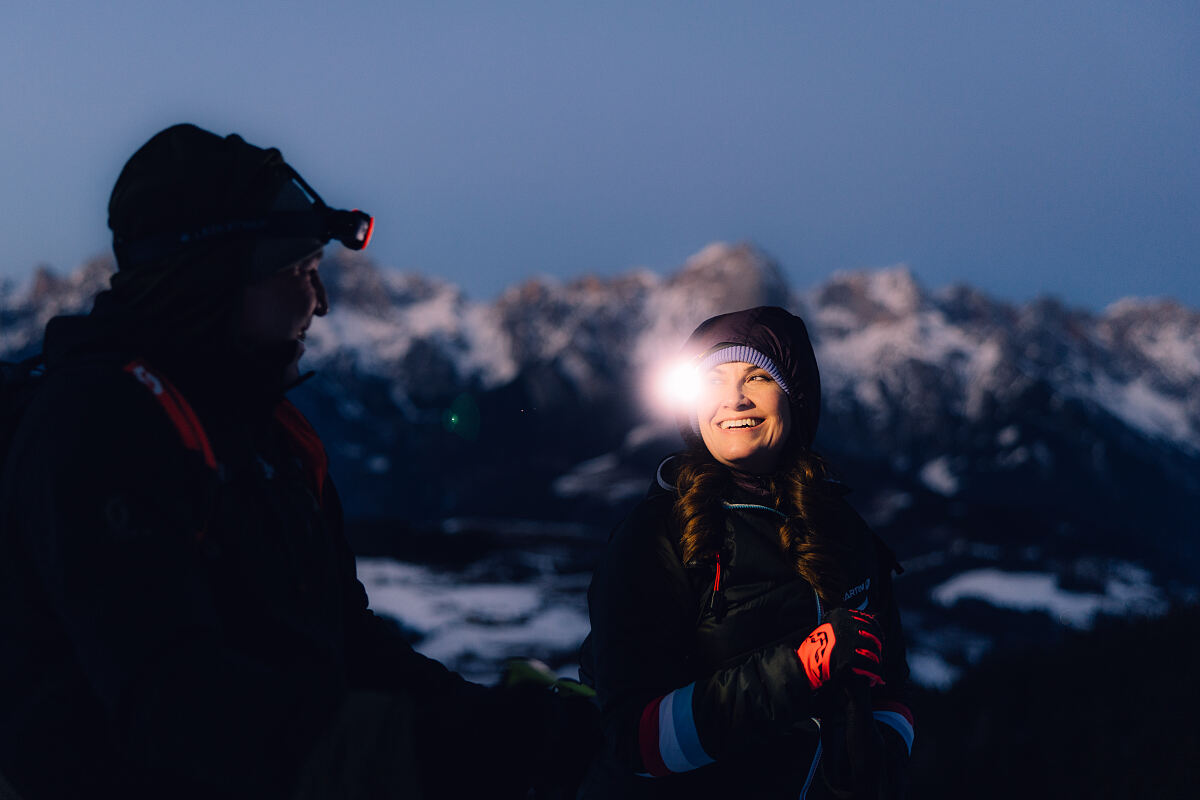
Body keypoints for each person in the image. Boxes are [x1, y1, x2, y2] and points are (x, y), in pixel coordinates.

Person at [0, 123, 585, 799]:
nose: (322, 302)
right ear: (213, 280)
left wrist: (489, 723)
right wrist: (451, 750)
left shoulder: (264, 431)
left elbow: (343, 640)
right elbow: (171, 702)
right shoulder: (98, 425)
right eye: (299, 272)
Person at [579, 306, 914, 799]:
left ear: (794, 398)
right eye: (711, 382)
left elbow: (894, 689)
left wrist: (876, 753)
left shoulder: (844, 529)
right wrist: (800, 668)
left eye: (757, 377)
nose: (734, 399)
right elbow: (639, 743)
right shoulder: (657, 535)